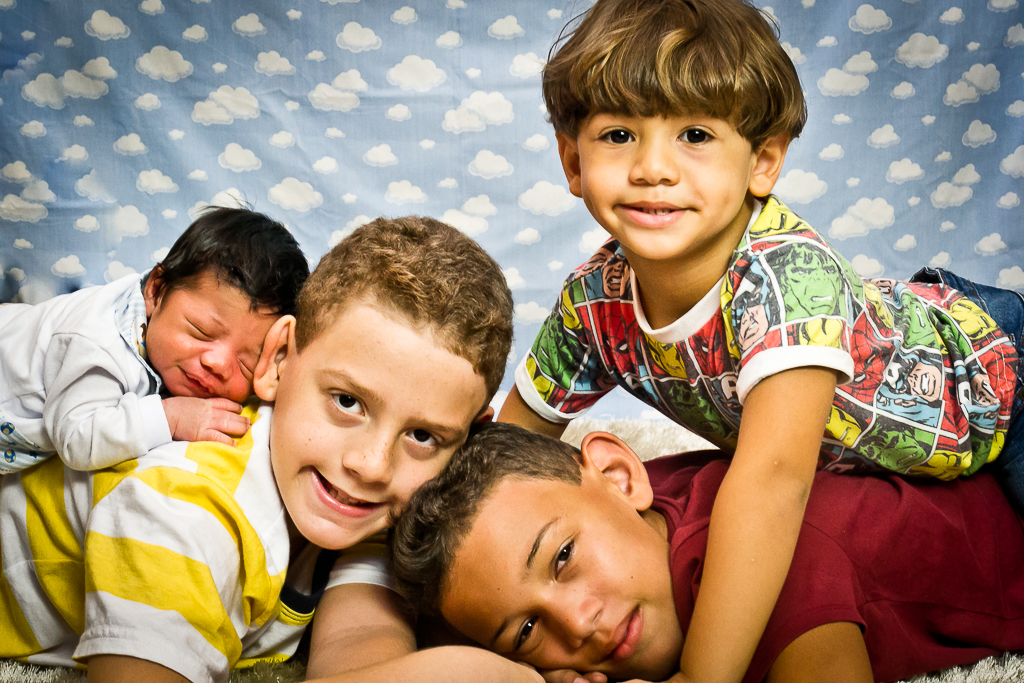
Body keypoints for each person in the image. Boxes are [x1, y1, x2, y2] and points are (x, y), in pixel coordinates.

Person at [498, 1, 1024, 680]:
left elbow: (772, 480)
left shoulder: (785, 277)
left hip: (997, 381)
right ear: (573, 161)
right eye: (619, 135)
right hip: (884, 465)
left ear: (764, 162)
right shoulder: (594, 302)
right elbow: (506, 453)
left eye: (693, 133)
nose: (653, 167)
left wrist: (703, 672)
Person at [0, 216, 525, 683]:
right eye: (346, 401)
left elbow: (357, 651)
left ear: (469, 437)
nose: (370, 464)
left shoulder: (373, 509)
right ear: (277, 361)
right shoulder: (187, 506)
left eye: (423, 436)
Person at [391, 422, 1024, 683]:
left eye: (561, 558)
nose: (577, 622)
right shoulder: (634, 516)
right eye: (528, 629)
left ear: (618, 475)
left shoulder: (764, 563)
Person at [0, 206, 309, 474]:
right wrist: (170, 418)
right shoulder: (98, 344)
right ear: (156, 290)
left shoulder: (167, 324)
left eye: (247, 363)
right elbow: (77, 439)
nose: (217, 363)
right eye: (201, 332)